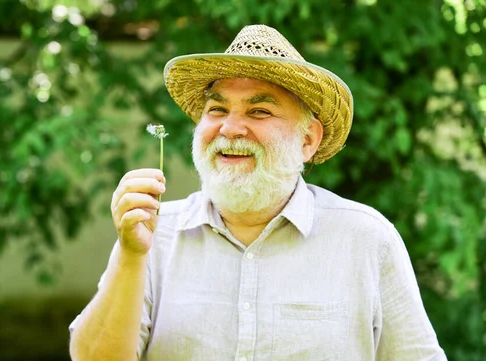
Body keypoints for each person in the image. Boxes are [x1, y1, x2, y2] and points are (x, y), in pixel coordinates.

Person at [68, 25, 447, 361]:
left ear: (308, 140)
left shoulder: (365, 238)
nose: (230, 128)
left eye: (259, 112)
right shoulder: (152, 234)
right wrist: (131, 256)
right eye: (217, 109)